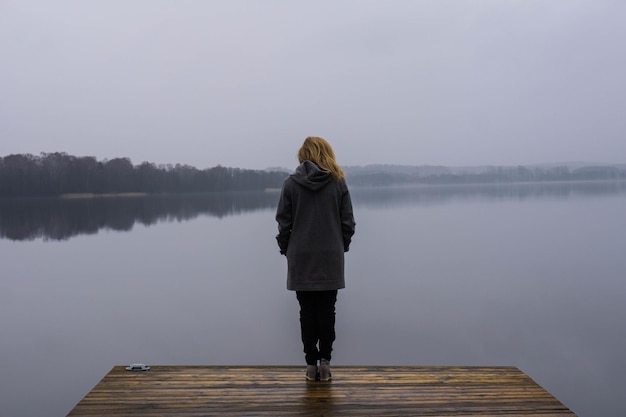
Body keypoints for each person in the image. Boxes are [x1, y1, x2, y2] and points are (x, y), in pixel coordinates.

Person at [275, 136, 356, 382]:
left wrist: (286, 247)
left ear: (304, 155)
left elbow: (283, 223)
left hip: (301, 256)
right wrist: (341, 245)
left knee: (306, 311)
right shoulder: (338, 183)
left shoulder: (290, 184)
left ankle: (310, 365)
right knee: (328, 309)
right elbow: (348, 223)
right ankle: (325, 363)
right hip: (330, 255)